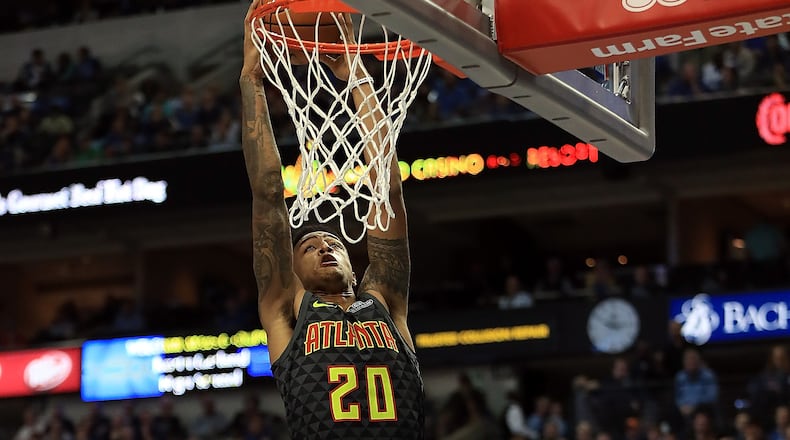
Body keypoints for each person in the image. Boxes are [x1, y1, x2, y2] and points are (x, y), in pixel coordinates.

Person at [239, 1, 424, 439]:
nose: (325, 246)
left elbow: (386, 188)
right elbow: (268, 194)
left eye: (335, 245)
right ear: (291, 272)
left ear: (356, 271)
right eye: (309, 246)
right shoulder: (286, 309)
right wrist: (251, 81)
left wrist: (355, 74)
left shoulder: (384, 299)